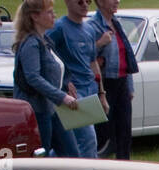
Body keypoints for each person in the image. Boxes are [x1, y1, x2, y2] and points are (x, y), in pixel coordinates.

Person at [12, 0, 79, 157]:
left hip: (53, 109)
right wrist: (62, 97)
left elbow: (54, 69)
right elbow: (33, 77)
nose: (54, 15)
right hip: (38, 112)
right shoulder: (31, 43)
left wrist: (65, 84)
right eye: (49, 12)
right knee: (42, 158)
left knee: (72, 155)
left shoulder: (45, 41)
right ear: (35, 16)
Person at [47, 0, 112, 159]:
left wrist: (102, 94)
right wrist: (63, 82)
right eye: (80, 2)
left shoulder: (89, 29)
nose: (85, 5)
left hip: (90, 89)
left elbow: (93, 62)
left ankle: (49, 165)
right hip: (74, 93)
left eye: (88, 2)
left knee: (71, 142)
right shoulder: (59, 28)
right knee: (88, 139)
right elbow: (46, 55)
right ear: (68, 3)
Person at [93, 0, 137, 159]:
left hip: (122, 82)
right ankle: (99, 168)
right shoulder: (94, 26)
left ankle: (124, 168)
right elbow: (85, 56)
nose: (117, 1)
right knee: (103, 131)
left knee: (124, 130)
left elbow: (126, 56)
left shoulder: (117, 24)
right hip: (105, 83)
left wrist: (130, 87)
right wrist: (99, 43)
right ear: (100, 2)